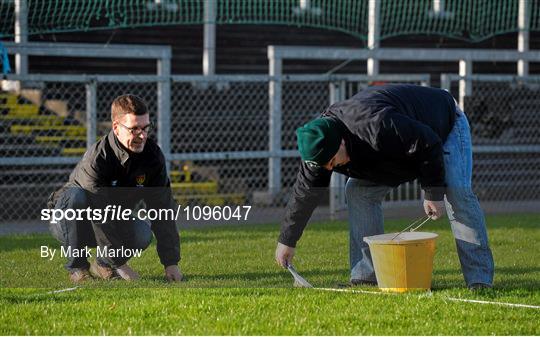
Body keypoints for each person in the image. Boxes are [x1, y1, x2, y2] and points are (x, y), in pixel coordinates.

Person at [275, 84, 494, 290]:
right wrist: (287, 241)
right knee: (358, 191)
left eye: (332, 161)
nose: (331, 168)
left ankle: (479, 280)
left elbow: (428, 142)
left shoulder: (374, 125)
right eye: (325, 165)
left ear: (341, 142)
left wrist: (432, 192)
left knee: (456, 192)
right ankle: (365, 277)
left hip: (443, 126)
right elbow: (305, 194)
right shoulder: (317, 149)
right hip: (394, 154)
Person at [47, 94, 183, 283]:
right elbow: (98, 213)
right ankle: (78, 268)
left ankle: (103, 265)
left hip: (110, 218)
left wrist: (171, 262)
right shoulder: (97, 159)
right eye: (134, 129)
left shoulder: (153, 156)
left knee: (142, 234)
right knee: (76, 196)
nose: (142, 135)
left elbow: (163, 209)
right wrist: (120, 264)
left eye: (145, 128)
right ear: (116, 128)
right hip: (70, 222)